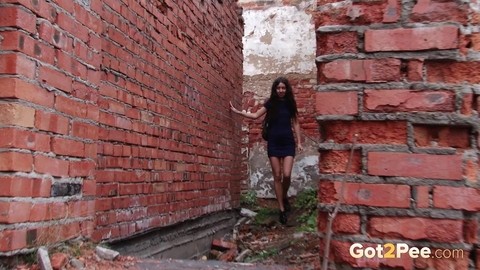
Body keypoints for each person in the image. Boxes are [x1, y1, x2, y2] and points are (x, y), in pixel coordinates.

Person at [230, 77, 303, 225]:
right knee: (277, 175)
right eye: (278, 88)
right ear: (275, 89)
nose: (281, 90)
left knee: (287, 175)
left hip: (288, 143)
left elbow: (295, 122)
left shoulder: (290, 103)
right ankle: (282, 209)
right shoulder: (271, 103)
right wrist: (238, 111)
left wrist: (299, 142)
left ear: (286, 89)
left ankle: (283, 196)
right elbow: (256, 115)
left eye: (283, 88)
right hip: (274, 143)